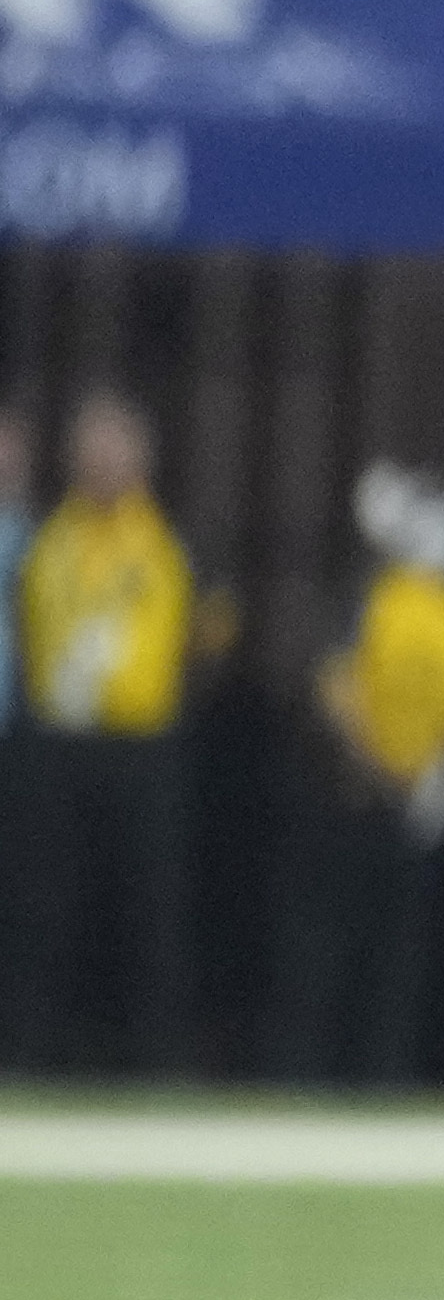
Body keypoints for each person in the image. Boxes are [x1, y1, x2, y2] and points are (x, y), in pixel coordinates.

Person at [273, 466, 444, 1085]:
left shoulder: (415, 606)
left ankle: (360, 1078)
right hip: (371, 801)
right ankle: (330, 1079)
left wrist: (437, 766)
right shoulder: (422, 607)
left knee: (370, 957)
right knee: (349, 954)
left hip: (384, 803)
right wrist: (428, 772)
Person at [7, 391, 197, 1075]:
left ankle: (156, 1063)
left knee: (150, 911)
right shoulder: (51, 542)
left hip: (140, 746)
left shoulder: (162, 545)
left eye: (116, 447)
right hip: (60, 745)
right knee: (41, 906)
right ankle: (28, 1056)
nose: (103, 461)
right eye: (91, 448)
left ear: (142, 458)